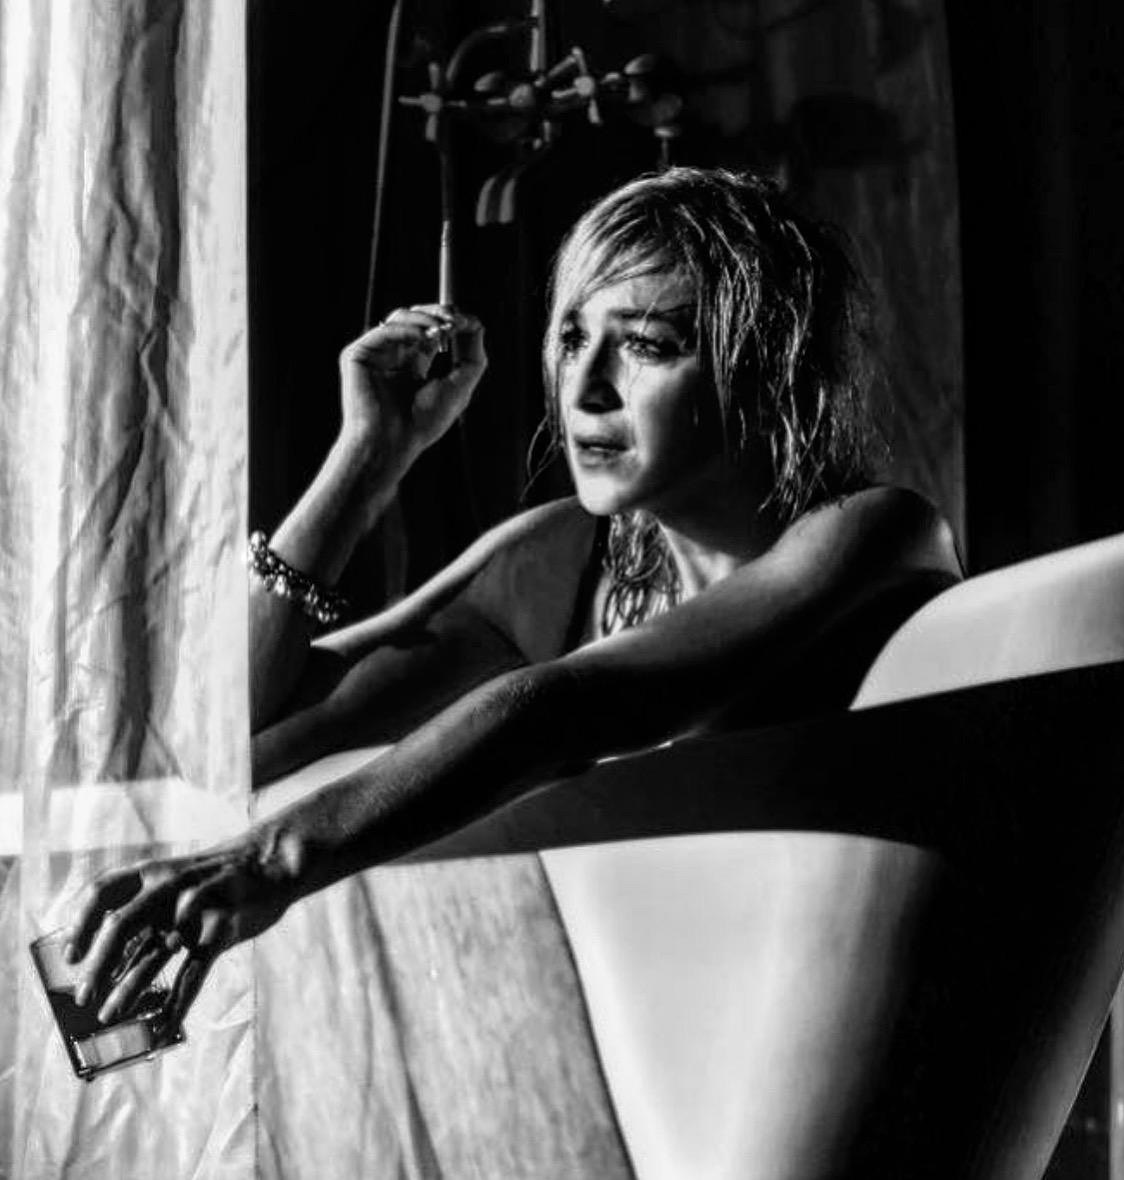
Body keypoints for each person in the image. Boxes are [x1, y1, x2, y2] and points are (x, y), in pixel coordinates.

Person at [63, 166, 961, 1030]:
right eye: (571, 339)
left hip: (830, 1016)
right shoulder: (555, 557)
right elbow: (246, 736)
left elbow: (566, 707)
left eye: (647, 344)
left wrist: (273, 858)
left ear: (768, 365)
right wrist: (367, 460)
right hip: (609, 1032)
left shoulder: (873, 533)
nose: (586, 387)